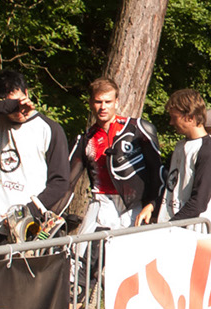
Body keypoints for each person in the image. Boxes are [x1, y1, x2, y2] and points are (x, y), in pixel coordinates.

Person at [0, 70, 71, 262]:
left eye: (20, 101)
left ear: (26, 93)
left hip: (18, 228)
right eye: (12, 106)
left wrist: (29, 212)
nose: (19, 111)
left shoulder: (49, 129)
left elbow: (60, 181)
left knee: (7, 288)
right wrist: (8, 106)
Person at [70, 76, 163, 232]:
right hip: (102, 202)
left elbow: (157, 170)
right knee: (85, 251)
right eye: (98, 102)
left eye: (108, 102)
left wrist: (152, 204)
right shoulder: (86, 138)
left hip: (135, 203)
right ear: (91, 103)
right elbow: (67, 180)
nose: (103, 107)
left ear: (117, 102)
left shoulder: (137, 129)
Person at [154, 88, 211, 228]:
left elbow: (199, 202)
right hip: (169, 227)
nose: (171, 122)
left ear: (190, 117)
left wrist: (170, 226)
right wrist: (153, 206)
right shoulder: (181, 145)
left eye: (174, 117)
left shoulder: (209, 150)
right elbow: (172, 186)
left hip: (190, 232)